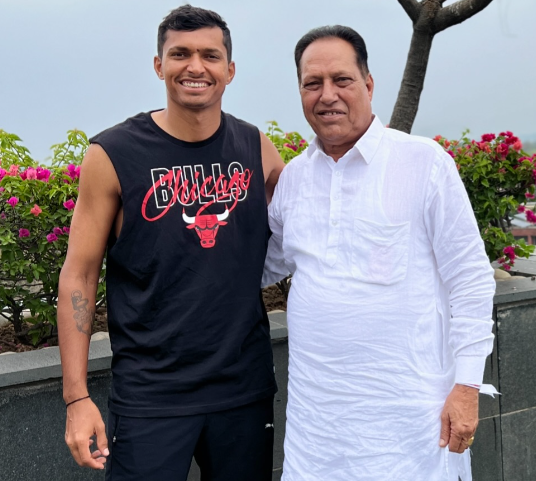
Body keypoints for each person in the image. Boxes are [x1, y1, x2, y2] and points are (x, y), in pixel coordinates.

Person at [57, 5, 284, 481]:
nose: (195, 66)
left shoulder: (256, 149)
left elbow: (313, 238)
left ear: (230, 69)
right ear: (159, 65)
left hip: (242, 391)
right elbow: (78, 274)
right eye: (180, 54)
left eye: (210, 55)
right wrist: (76, 397)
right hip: (150, 397)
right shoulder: (113, 153)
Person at [263, 25, 496, 480]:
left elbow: (470, 278)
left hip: (411, 428)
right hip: (318, 433)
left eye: (342, 80)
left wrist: (467, 386)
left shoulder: (423, 163)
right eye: (313, 83)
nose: (327, 94)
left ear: (368, 84)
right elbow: (259, 265)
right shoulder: (293, 179)